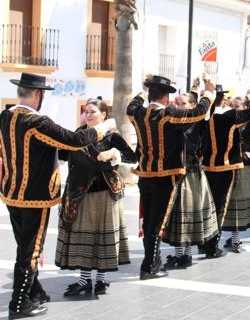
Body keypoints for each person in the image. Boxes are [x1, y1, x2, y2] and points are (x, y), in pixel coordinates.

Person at [1, 73, 110, 319]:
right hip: (34, 197)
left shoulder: (5, 117)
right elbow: (74, 141)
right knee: (31, 251)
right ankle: (19, 305)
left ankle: (34, 292)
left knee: (24, 246)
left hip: (10, 194)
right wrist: (102, 128)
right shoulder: (37, 121)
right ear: (38, 95)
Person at [127, 75, 213, 280]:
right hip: (166, 177)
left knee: (148, 220)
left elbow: (132, 105)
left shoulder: (137, 114)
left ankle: (153, 261)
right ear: (166, 97)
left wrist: (142, 90)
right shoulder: (168, 115)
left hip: (144, 175)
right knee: (157, 222)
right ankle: (150, 266)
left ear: (150, 94)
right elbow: (199, 112)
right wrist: (208, 93)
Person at [56, 99, 135, 296]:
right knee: (86, 239)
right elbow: (62, 156)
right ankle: (84, 280)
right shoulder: (77, 135)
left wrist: (113, 153)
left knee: (101, 237)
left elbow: (132, 157)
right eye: (86, 111)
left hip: (105, 194)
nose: (88, 115)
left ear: (104, 115)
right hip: (80, 194)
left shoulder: (112, 137)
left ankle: (100, 280)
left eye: (93, 112)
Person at [202, 80, 250, 256]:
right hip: (226, 167)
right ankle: (212, 247)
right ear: (223, 100)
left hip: (207, 166)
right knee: (220, 207)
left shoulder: (207, 116)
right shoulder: (229, 116)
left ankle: (206, 242)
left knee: (209, 205)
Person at [162, 89, 218, 269]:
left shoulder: (198, 122)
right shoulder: (171, 120)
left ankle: (186, 255)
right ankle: (179, 254)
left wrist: (206, 92)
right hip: (174, 172)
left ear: (193, 106)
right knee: (176, 215)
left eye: (183, 103)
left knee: (186, 213)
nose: (178, 106)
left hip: (190, 172)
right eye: (176, 103)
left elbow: (207, 113)